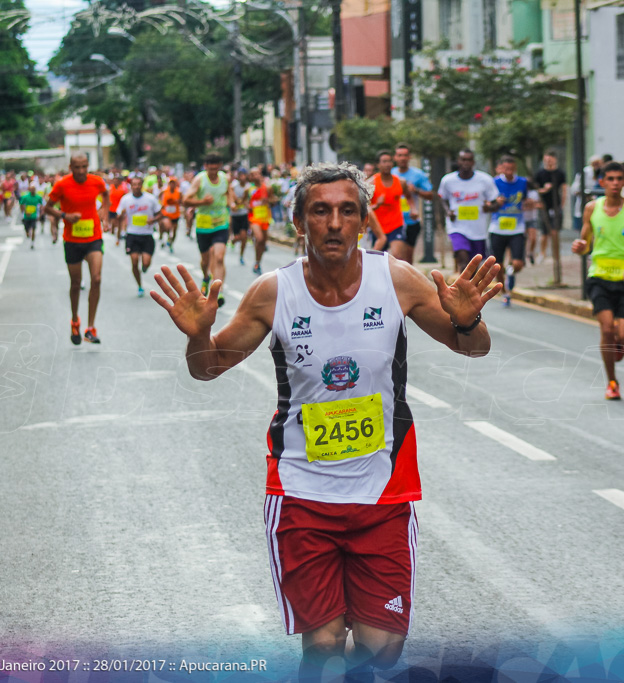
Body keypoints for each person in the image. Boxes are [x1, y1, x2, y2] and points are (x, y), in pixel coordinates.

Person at [150, 161, 502, 683]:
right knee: (323, 645)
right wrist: (197, 335)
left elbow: (473, 348)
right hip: (300, 492)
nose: (334, 223)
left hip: (383, 493)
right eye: (320, 211)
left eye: (346, 211)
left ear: (363, 221)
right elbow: (208, 368)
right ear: (298, 223)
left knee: (382, 651)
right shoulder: (273, 293)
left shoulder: (397, 281)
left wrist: (469, 319)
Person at [571, 161, 624, 400]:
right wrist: (580, 247)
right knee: (607, 329)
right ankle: (612, 382)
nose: (615, 183)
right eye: (610, 179)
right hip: (599, 277)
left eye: (619, 179)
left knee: (623, 336)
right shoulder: (592, 208)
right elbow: (584, 243)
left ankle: (617, 348)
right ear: (602, 182)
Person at [45, 153, 111, 345]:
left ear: (88, 166)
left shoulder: (96, 182)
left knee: (96, 279)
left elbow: (106, 195)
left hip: (93, 237)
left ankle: (91, 328)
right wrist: (64, 215)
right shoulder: (62, 185)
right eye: (77, 167)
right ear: (70, 167)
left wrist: (104, 211)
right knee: (76, 283)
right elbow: (48, 208)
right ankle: (75, 320)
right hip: (72, 240)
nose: (81, 171)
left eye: (84, 167)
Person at [437, 149, 499, 278]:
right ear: (458, 161)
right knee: (464, 262)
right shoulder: (448, 180)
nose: (466, 162)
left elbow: (495, 202)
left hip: (478, 230)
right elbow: (442, 197)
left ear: (473, 162)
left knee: (473, 265)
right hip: (457, 227)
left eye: (469, 160)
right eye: (463, 159)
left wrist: (489, 207)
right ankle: (462, 294)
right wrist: (448, 211)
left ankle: (470, 292)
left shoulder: (485, 180)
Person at [185, 153, 231, 307]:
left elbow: (228, 194)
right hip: (204, 226)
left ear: (220, 166)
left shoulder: (225, 178)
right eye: (210, 169)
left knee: (218, 257)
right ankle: (206, 277)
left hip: (220, 224)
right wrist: (202, 202)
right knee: (205, 260)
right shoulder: (200, 180)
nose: (213, 172)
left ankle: (218, 291)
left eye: (216, 169)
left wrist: (232, 203)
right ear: (205, 167)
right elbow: (185, 200)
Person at [490, 156, 528, 306]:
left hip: (517, 229)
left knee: (518, 263)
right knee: (498, 265)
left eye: (511, 169)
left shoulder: (523, 183)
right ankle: (505, 292)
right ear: (501, 168)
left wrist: (529, 203)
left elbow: (527, 199)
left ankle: (511, 273)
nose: (509, 172)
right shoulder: (494, 183)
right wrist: (494, 203)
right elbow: (487, 202)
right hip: (497, 229)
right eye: (506, 169)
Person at [117, 176, 163, 298]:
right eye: (134, 184)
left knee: (146, 263)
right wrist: (120, 219)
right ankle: (140, 285)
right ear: (130, 186)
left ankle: (145, 267)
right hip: (132, 234)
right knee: (134, 260)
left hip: (147, 235)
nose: (136, 187)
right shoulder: (125, 199)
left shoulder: (150, 199)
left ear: (142, 185)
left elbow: (160, 214)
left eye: (138, 184)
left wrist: (153, 220)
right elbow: (119, 215)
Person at [391, 143, 435, 264]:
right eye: (400, 155)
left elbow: (430, 195)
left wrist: (415, 190)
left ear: (409, 157)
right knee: (397, 255)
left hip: (411, 220)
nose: (402, 158)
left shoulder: (418, 174)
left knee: (408, 258)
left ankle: (405, 281)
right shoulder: (390, 173)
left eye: (405, 155)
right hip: (393, 221)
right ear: (395, 157)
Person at [368, 150, 414, 258]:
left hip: (396, 225)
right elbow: (365, 208)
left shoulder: (401, 182)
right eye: (384, 161)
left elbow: (409, 197)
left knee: (398, 256)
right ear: (378, 165)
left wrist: (413, 209)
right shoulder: (371, 184)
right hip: (378, 227)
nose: (387, 164)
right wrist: (376, 205)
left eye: (389, 161)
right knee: (378, 258)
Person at [533, 151, 567, 267]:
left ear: (555, 160)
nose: (548, 162)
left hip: (555, 207)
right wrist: (544, 191)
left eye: (550, 160)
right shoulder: (540, 174)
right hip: (544, 207)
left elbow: (564, 189)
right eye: (546, 160)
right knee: (544, 233)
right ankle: (542, 253)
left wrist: (561, 205)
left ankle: (556, 256)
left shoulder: (560, 173)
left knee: (555, 233)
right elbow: (535, 190)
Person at [247, 168, 278, 275]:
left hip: (265, 218)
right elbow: (244, 202)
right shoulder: (249, 189)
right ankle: (256, 260)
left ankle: (257, 263)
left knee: (263, 243)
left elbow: (274, 200)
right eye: (252, 174)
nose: (255, 176)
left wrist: (268, 201)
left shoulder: (267, 188)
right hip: (254, 218)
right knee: (259, 239)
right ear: (250, 177)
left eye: (257, 174)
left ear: (260, 175)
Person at [229, 168, 252, 266]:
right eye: (240, 175)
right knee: (237, 237)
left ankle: (241, 256)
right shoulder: (233, 186)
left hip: (243, 214)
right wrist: (234, 204)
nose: (242, 177)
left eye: (244, 175)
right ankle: (233, 241)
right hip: (235, 215)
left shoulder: (248, 187)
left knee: (244, 237)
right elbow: (234, 199)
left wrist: (248, 204)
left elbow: (249, 199)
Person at [159, 176, 183, 253]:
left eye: (174, 183)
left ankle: (170, 243)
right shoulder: (164, 191)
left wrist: (178, 202)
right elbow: (159, 197)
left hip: (175, 214)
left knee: (174, 231)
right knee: (168, 227)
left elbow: (182, 201)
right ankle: (163, 237)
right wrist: (161, 203)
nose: (172, 185)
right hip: (167, 214)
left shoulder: (179, 192)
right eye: (171, 183)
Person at [19, 185, 43, 249]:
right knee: (27, 229)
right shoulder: (25, 197)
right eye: (31, 189)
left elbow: (41, 206)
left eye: (34, 189)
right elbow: (21, 204)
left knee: (33, 229)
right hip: (26, 216)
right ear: (29, 189)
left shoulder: (38, 197)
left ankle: (32, 242)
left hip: (34, 216)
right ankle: (27, 232)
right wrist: (24, 212)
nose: (32, 190)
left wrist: (40, 214)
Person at [108, 175, 128, 244]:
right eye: (114, 180)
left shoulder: (122, 189)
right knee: (113, 223)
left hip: (119, 209)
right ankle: (113, 233)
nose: (115, 182)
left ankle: (117, 239)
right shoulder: (110, 188)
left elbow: (125, 198)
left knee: (119, 223)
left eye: (117, 181)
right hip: (111, 208)